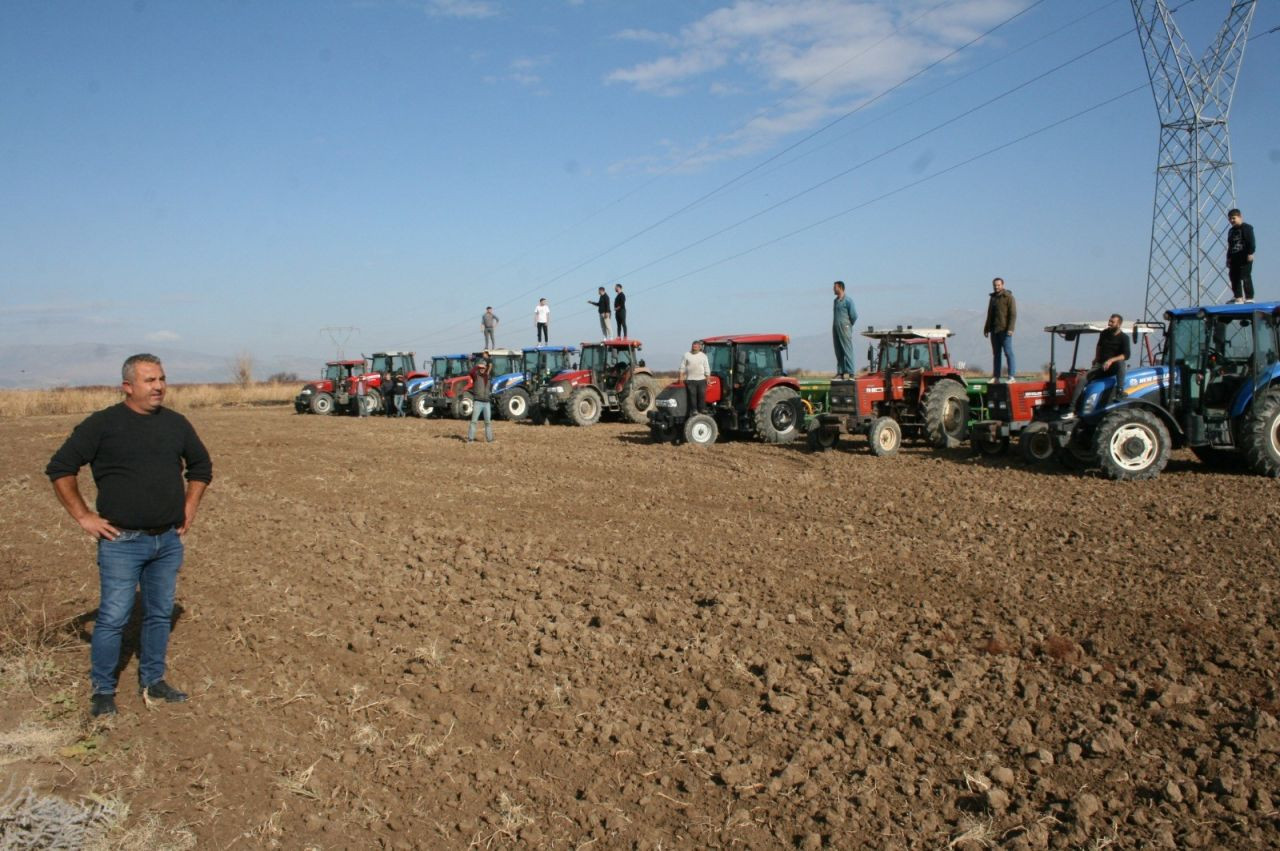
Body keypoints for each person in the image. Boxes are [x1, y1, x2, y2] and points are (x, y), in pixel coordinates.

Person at [45, 354, 212, 717]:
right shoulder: (103, 425)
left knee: (157, 615)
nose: (159, 387)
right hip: (122, 543)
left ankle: (154, 682)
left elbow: (202, 467)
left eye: (162, 379)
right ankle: (103, 691)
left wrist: (189, 508)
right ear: (127, 387)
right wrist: (84, 516)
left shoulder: (176, 424)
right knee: (113, 618)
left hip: (167, 541)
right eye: (150, 380)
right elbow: (60, 469)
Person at [983, 277, 1017, 381]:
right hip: (994, 330)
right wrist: (986, 328)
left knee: (1008, 352)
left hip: (1005, 330)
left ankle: (1011, 376)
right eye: (995, 285)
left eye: (998, 285)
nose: (996, 287)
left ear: (1002, 285)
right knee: (996, 354)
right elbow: (989, 314)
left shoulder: (1008, 297)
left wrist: (1010, 328)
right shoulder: (992, 298)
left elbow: (1013, 314)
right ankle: (996, 376)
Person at [1226, 208, 1256, 303]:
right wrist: (1228, 258)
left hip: (1244, 256)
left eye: (1233, 218)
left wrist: (1250, 253)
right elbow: (1230, 245)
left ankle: (1249, 297)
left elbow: (1251, 241)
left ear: (1240, 217)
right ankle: (1238, 297)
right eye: (1230, 219)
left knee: (1245, 276)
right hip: (1234, 257)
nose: (1232, 221)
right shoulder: (1231, 231)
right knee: (1234, 276)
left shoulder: (1246, 228)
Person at [831, 280, 858, 378]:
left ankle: (851, 372)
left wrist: (848, 325)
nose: (833, 289)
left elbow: (854, 315)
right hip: (836, 327)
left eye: (835, 287)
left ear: (840, 287)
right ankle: (840, 372)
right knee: (838, 350)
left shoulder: (848, 300)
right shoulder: (835, 301)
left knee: (847, 349)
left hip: (845, 327)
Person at [466, 358, 495, 443]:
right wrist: (477, 365)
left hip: (487, 403)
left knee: (488, 422)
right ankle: (470, 439)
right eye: (481, 368)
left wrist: (488, 363)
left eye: (483, 368)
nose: (482, 369)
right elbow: (471, 371)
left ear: (485, 368)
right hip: (478, 402)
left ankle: (490, 440)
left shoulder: (488, 376)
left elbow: (491, 366)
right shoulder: (476, 376)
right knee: (474, 421)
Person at [679, 340, 711, 415]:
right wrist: (681, 376)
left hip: (701, 379)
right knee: (692, 395)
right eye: (693, 346)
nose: (694, 348)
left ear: (699, 347)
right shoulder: (686, 355)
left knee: (701, 394)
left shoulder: (703, 356)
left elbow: (707, 367)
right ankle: (694, 410)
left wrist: (708, 378)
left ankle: (702, 409)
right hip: (690, 379)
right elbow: (682, 366)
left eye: (696, 346)